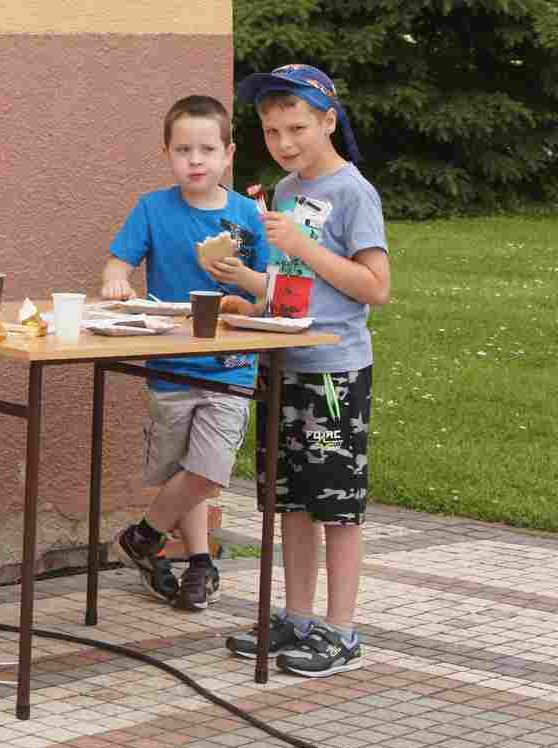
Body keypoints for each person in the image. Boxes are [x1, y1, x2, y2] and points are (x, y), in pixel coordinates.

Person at [223, 64, 390, 677]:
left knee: (336, 505)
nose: (284, 143)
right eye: (272, 131)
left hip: (333, 374)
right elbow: (295, 285)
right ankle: (297, 618)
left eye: (296, 128)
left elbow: (376, 287)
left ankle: (341, 632)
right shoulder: (287, 189)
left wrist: (302, 246)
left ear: (328, 121)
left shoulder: (354, 193)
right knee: (290, 502)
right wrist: (251, 290)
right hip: (285, 363)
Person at [101, 95, 269, 612]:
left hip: (230, 365)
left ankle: (144, 536)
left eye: (207, 150)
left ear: (228, 154)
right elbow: (117, 264)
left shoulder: (247, 214)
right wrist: (116, 282)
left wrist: (245, 282)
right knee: (184, 471)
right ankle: (199, 562)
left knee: (209, 471)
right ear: (166, 153)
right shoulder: (153, 208)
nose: (195, 160)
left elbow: (269, 292)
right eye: (183, 150)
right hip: (170, 366)